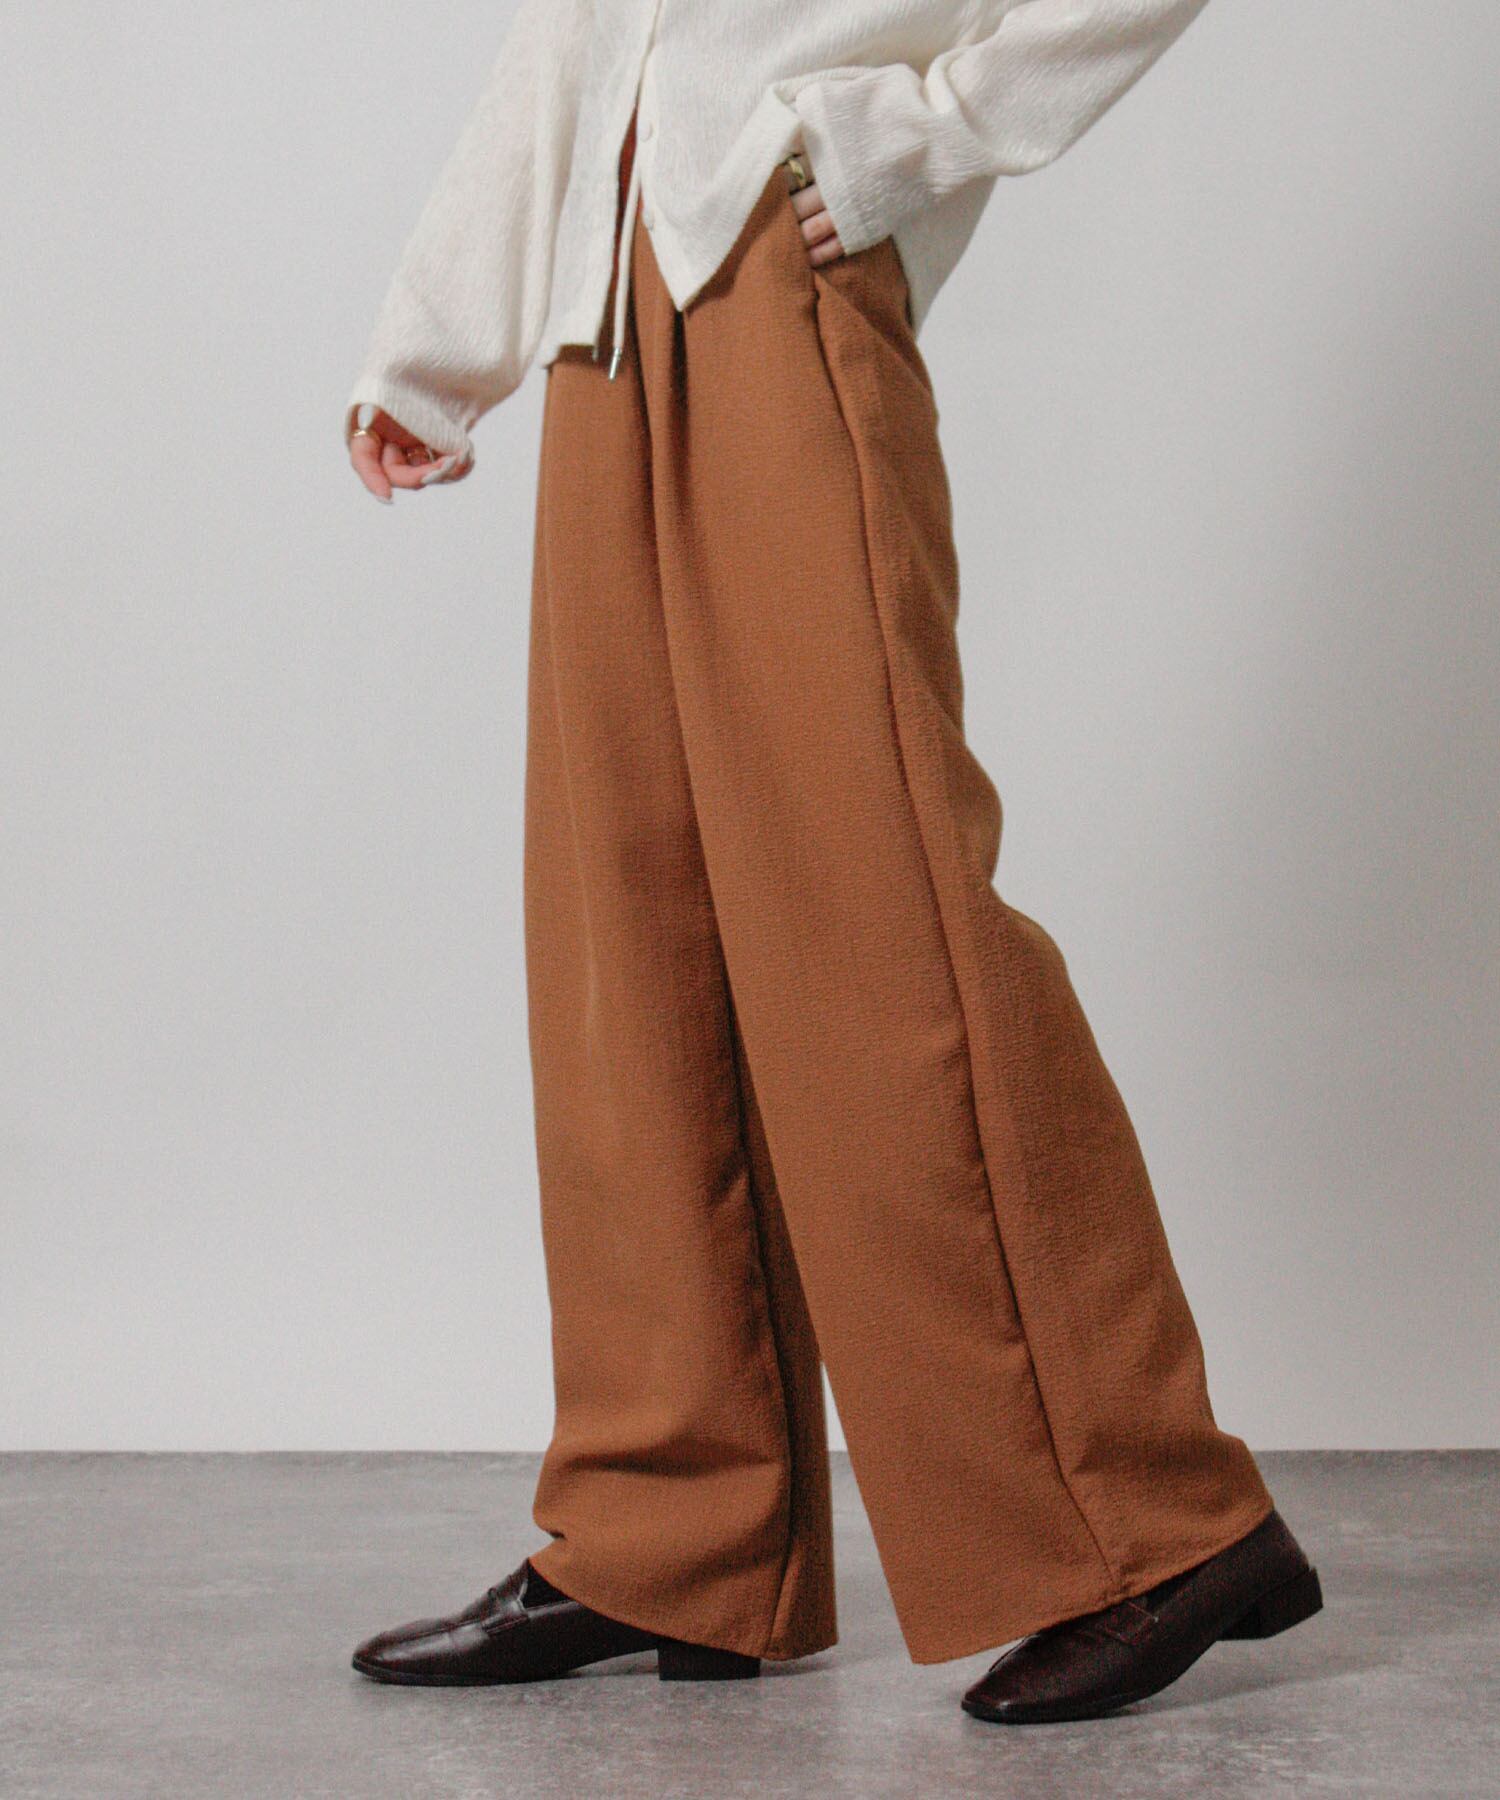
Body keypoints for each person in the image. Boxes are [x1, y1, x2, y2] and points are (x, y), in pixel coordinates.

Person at [341, 0, 1322, 1724]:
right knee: (628, 931)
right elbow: (576, 35)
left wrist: (912, 134)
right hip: (603, 309)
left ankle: (1151, 1524)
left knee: (881, 922)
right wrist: (438, 344)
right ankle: (671, 1538)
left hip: (785, 274)